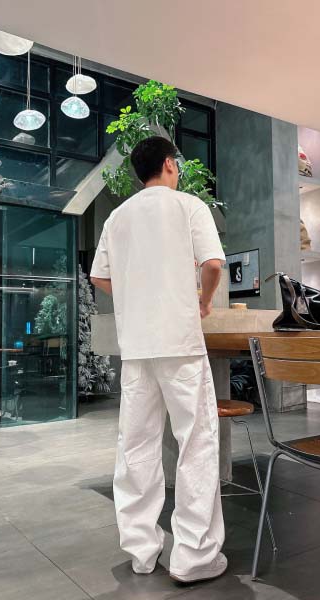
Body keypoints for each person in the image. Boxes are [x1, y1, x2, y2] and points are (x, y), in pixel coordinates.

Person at [90, 136, 226, 583]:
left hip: (137, 347)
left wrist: (136, 294)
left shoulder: (117, 216)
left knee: (136, 446)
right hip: (180, 342)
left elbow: (99, 276)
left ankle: (142, 552)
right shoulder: (189, 206)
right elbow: (213, 264)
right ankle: (194, 556)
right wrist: (203, 301)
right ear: (169, 164)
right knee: (196, 443)